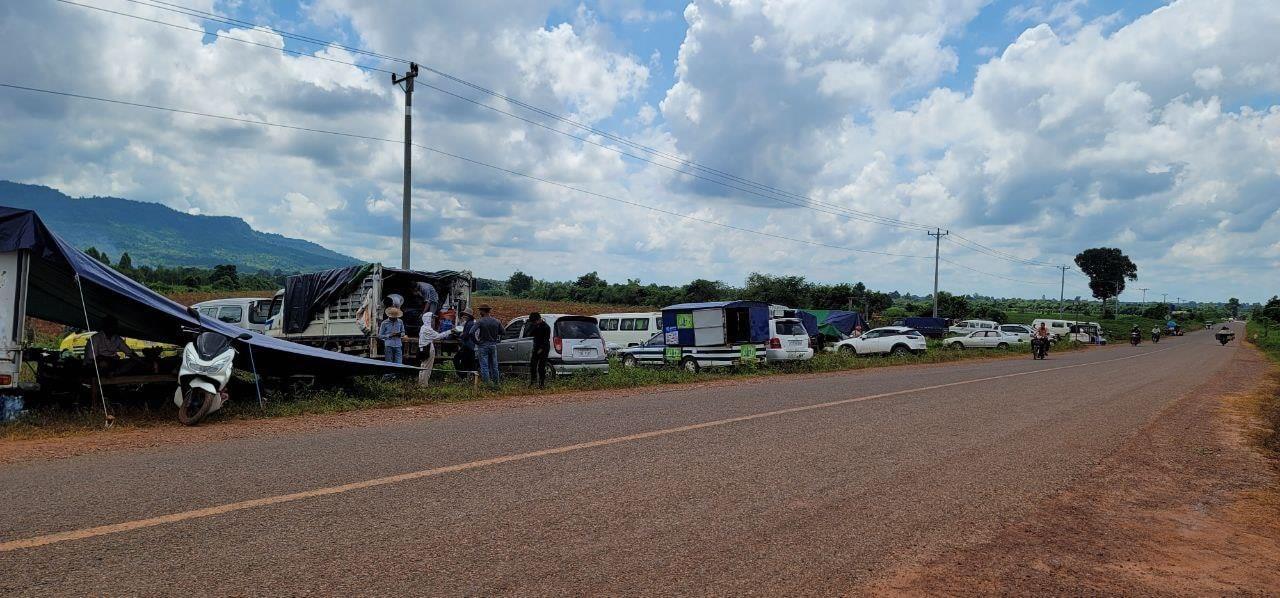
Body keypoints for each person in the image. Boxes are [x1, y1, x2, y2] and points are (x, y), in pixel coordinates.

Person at [418, 311, 451, 386]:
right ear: (428, 319)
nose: (433, 320)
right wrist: (450, 331)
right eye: (432, 319)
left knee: (423, 366)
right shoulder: (428, 329)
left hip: (423, 348)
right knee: (427, 367)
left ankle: (421, 383)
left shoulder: (423, 327)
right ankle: (424, 385)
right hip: (428, 348)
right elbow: (438, 336)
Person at [473, 304, 503, 387]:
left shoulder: (480, 321)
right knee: (494, 366)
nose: (479, 312)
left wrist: (476, 341)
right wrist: (496, 337)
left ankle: (487, 384)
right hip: (493, 345)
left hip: (483, 345)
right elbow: (503, 332)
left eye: (480, 310)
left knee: (484, 366)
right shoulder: (496, 321)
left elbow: (471, 332)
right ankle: (496, 384)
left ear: (483, 311)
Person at [525, 312, 552, 389]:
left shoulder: (546, 327)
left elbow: (546, 340)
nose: (534, 323)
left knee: (541, 367)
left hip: (544, 348)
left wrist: (541, 349)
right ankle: (533, 382)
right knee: (533, 365)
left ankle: (541, 384)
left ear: (538, 319)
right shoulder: (535, 326)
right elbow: (528, 334)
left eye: (534, 321)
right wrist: (531, 326)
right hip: (536, 347)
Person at [453, 311, 477, 380]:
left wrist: (459, 335)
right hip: (471, 346)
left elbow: (466, 335)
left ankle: (462, 376)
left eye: (464, 315)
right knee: (469, 362)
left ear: (467, 316)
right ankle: (469, 377)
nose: (463, 317)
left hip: (467, 345)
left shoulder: (469, 323)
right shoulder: (471, 323)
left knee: (456, 359)